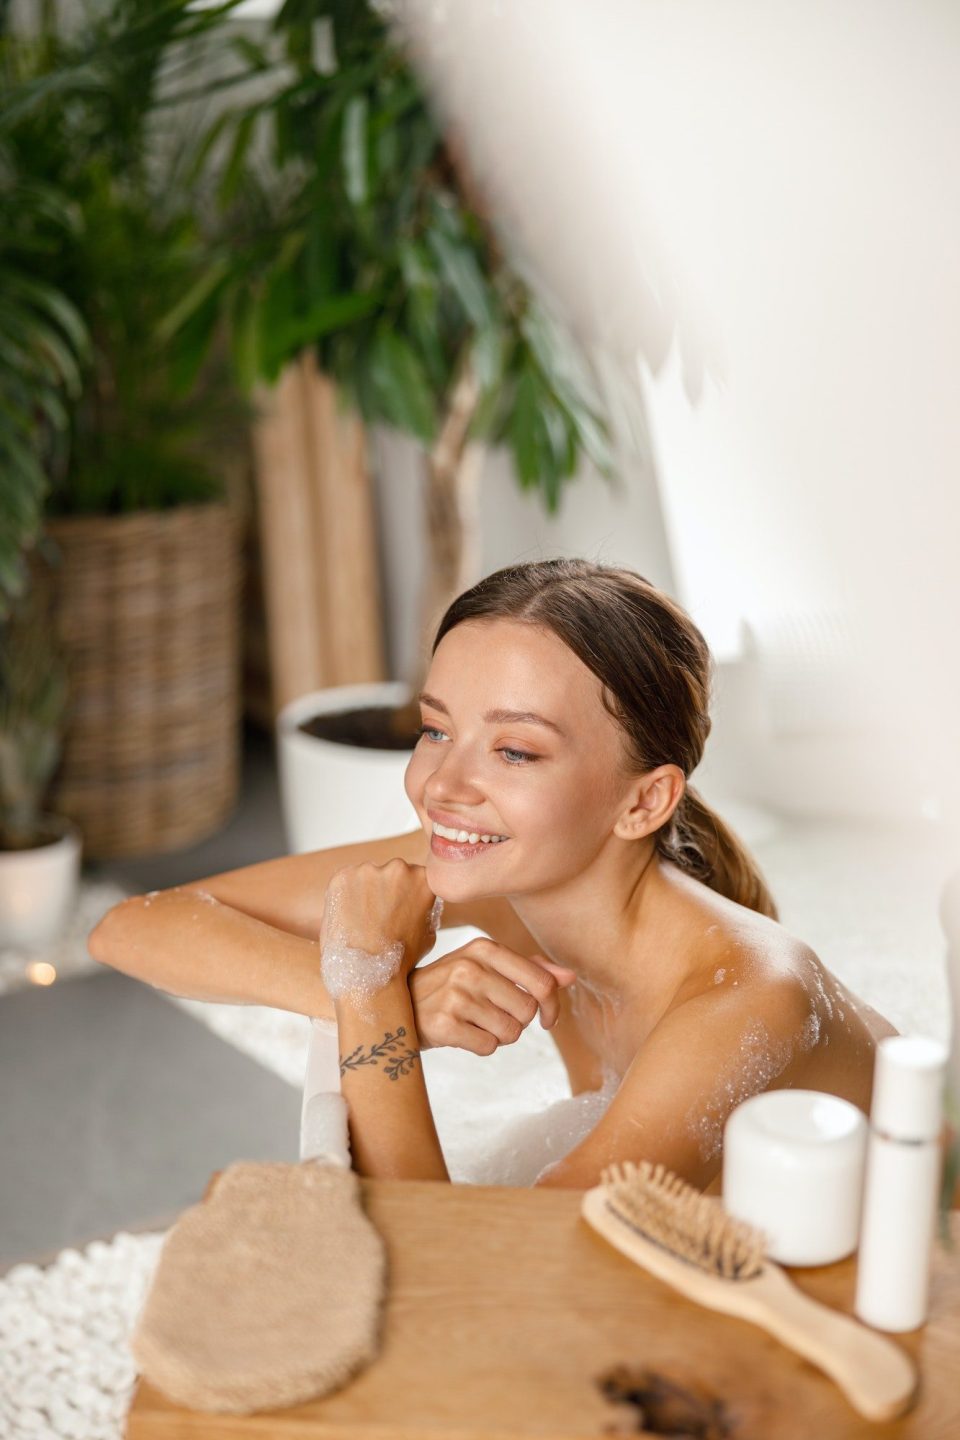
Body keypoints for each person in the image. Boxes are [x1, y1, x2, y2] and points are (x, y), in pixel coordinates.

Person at [89, 558, 896, 1190]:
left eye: (515, 750)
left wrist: (373, 991)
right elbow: (131, 926)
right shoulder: (513, 869)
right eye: (435, 730)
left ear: (644, 802)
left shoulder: (747, 1002)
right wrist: (366, 989)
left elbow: (468, 1273)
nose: (442, 787)